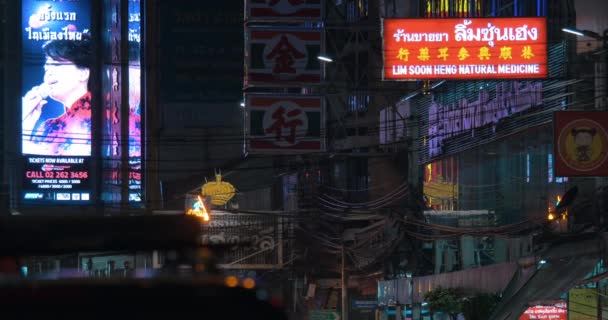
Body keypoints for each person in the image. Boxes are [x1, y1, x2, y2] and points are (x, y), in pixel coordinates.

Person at [22, 36, 92, 156]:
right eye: (46, 68)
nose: (48, 73)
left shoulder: (113, 119)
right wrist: (25, 125)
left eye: (56, 65)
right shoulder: (48, 127)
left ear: (83, 73)